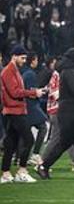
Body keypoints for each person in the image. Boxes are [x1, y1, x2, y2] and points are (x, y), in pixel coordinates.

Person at [36, 48, 74, 181]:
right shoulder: (68, 73)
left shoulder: (71, 72)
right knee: (65, 142)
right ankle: (43, 166)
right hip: (69, 113)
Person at [1, 45, 45, 183]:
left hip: (14, 110)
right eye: (22, 57)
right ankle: (22, 171)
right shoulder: (9, 71)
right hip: (15, 110)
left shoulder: (14, 70)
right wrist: (33, 93)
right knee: (28, 139)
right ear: (14, 56)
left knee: (11, 143)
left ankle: (6, 173)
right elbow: (15, 92)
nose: (24, 60)